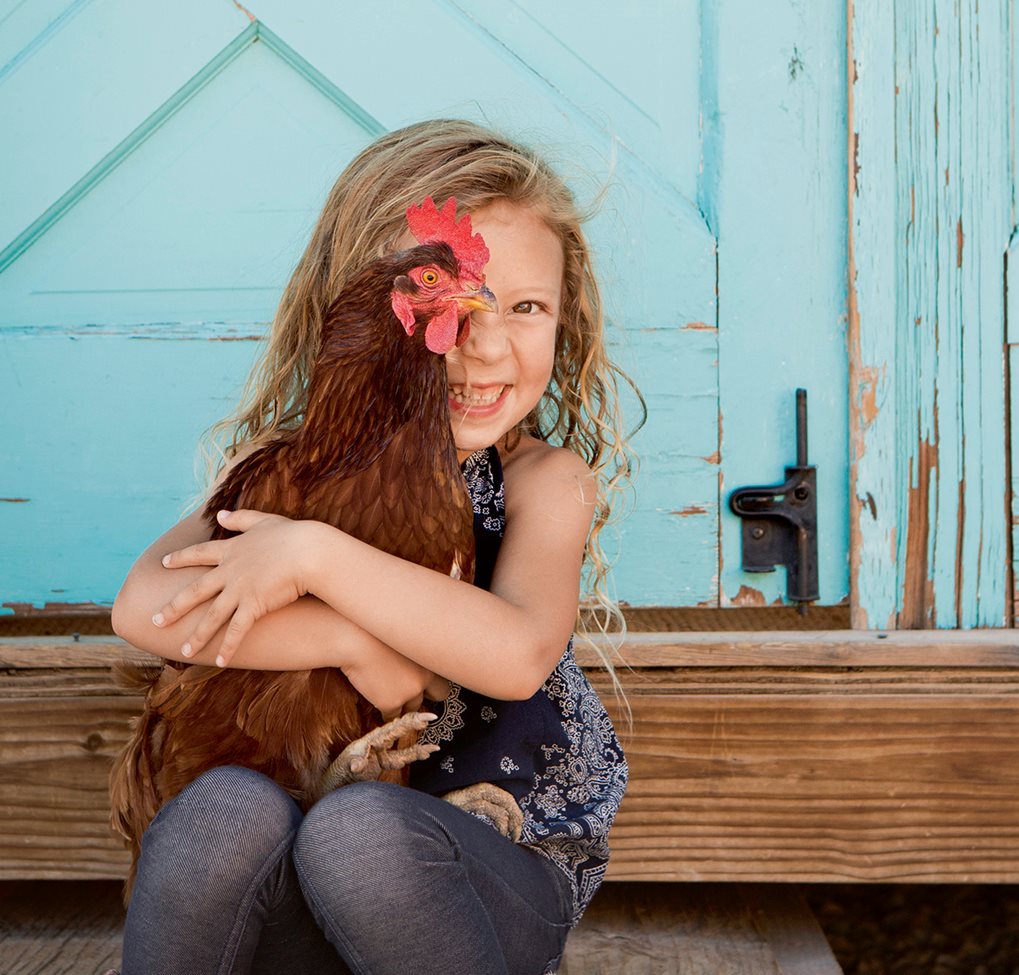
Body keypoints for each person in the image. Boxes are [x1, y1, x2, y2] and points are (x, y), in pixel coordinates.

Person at [107, 119, 643, 975]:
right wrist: (355, 640)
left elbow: (512, 657)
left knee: (359, 835)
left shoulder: (543, 482)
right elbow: (143, 606)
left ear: (564, 319)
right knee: (223, 813)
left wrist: (314, 557)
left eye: (525, 306)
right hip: (292, 879)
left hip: (474, 882)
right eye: (450, 303)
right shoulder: (287, 470)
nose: (486, 344)